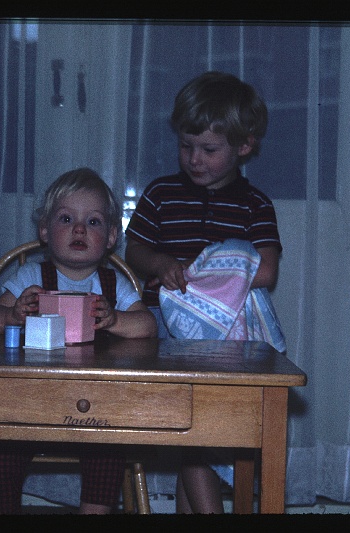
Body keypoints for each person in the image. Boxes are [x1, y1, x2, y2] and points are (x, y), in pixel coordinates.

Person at [124, 71, 282, 513]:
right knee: (191, 430)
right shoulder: (160, 194)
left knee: (204, 428)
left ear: (244, 146)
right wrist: (158, 264)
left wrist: (205, 276)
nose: (194, 159)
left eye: (209, 150)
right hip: (165, 331)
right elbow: (134, 248)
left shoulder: (255, 204)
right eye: (186, 146)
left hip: (226, 334)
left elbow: (265, 270)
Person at [0, 168, 157, 514]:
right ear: (44, 230)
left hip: (95, 407)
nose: (79, 229)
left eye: (93, 222)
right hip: (30, 402)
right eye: (66, 219)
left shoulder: (112, 285)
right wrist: (14, 314)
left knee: (108, 445)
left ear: (110, 237)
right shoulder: (31, 276)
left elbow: (148, 325)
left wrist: (116, 319)